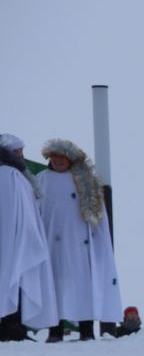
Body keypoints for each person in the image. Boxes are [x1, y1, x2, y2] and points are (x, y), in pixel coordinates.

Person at [36, 138, 122, 342]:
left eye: (62, 157)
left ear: (70, 160)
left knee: (83, 284)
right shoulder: (41, 179)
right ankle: (54, 331)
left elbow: (98, 213)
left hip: (80, 243)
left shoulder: (85, 181)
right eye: (54, 156)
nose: (57, 161)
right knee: (53, 285)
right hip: (51, 242)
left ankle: (86, 329)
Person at [0, 133, 57, 341]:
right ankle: (10, 326)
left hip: (10, 239)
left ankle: (11, 325)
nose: (22, 156)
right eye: (18, 152)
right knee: (13, 279)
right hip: (14, 240)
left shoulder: (15, 175)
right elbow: (20, 212)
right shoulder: (12, 176)